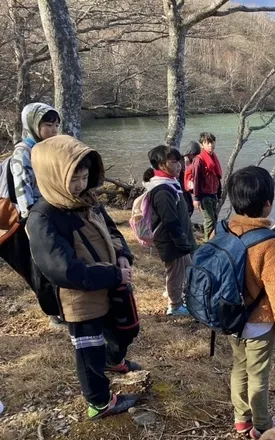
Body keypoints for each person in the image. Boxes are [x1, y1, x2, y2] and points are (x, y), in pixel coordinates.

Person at [26, 135, 141, 419]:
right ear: (53, 175)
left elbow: (113, 231)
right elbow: (63, 269)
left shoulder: (88, 200)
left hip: (110, 283)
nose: (79, 185)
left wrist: (124, 255)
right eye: (73, 179)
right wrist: (114, 273)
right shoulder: (43, 218)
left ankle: (113, 361)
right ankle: (99, 402)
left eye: (84, 176)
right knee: (89, 350)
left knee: (122, 329)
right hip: (79, 298)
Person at [225, 166, 275, 440]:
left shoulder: (224, 231)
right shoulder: (270, 244)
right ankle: (263, 427)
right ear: (267, 203)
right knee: (258, 375)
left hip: (230, 317)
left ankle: (241, 419)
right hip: (258, 322)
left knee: (239, 365)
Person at [0, 103, 63, 328]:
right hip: (28, 219)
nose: (54, 130)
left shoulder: (45, 147)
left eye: (56, 125)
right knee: (40, 265)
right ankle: (53, 313)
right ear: (34, 125)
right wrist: (32, 223)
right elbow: (23, 190)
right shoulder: (23, 152)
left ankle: (59, 307)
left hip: (48, 213)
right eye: (48, 125)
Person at [143, 146, 196, 316]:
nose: (179, 165)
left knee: (186, 268)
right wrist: (181, 240)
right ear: (160, 164)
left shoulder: (170, 184)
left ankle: (178, 295)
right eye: (173, 162)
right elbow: (170, 220)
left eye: (179, 161)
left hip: (179, 239)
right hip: (170, 240)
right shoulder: (162, 190)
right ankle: (175, 306)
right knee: (175, 272)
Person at [192, 132, 222, 240]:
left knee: (214, 218)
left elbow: (218, 177)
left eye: (212, 142)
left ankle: (212, 241)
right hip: (204, 195)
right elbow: (196, 179)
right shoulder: (199, 160)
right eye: (207, 143)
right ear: (202, 145)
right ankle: (207, 244)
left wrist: (219, 194)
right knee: (209, 220)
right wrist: (196, 198)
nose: (211, 145)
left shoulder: (214, 158)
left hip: (213, 193)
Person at [180, 141, 200, 216]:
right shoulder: (181, 161)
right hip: (181, 189)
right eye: (194, 155)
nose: (195, 156)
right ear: (189, 153)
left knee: (190, 208)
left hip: (186, 188)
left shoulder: (192, 161)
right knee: (188, 208)